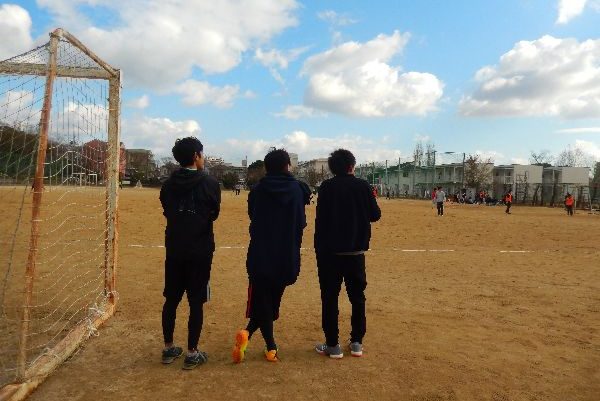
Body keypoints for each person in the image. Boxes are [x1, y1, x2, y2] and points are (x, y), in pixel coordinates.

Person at [232, 149, 310, 363]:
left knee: (263, 300)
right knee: (271, 300)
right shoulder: (298, 189)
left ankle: (256, 337)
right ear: (288, 166)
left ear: (266, 168)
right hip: (287, 254)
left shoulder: (258, 190)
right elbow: (301, 222)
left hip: (261, 253)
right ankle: (269, 346)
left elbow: (253, 216)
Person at [159, 137, 221, 370]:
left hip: (175, 248)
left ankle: (168, 348)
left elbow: (167, 210)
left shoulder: (168, 185)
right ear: (196, 156)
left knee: (171, 299)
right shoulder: (210, 183)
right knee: (196, 301)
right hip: (200, 250)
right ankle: (192, 352)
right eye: (201, 154)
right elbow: (214, 213)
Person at [314, 149, 381, 359]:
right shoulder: (363, 186)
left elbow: (321, 219)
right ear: (352, 166)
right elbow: (375, 215)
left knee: (330, 298)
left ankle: (332, 344)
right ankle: (356, 342)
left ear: (333, 168)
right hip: (355, 252)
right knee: (357, 298)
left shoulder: (326, 187)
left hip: (330, 254)